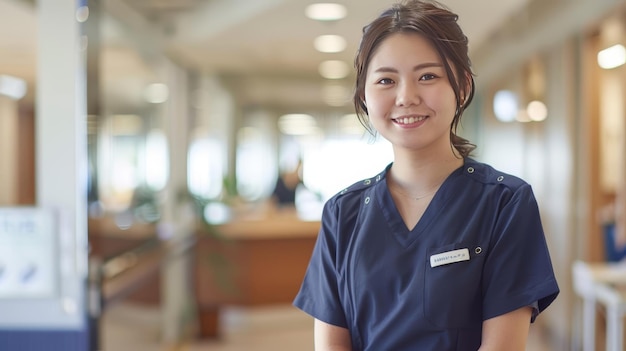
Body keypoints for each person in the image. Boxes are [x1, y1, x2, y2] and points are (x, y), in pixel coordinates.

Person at [292, 1, 560, 350]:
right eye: (386, 80)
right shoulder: (344, 213)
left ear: (461, 86)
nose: (406, 97)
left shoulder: (504, 202)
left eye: (428, 76)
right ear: (364, 95)